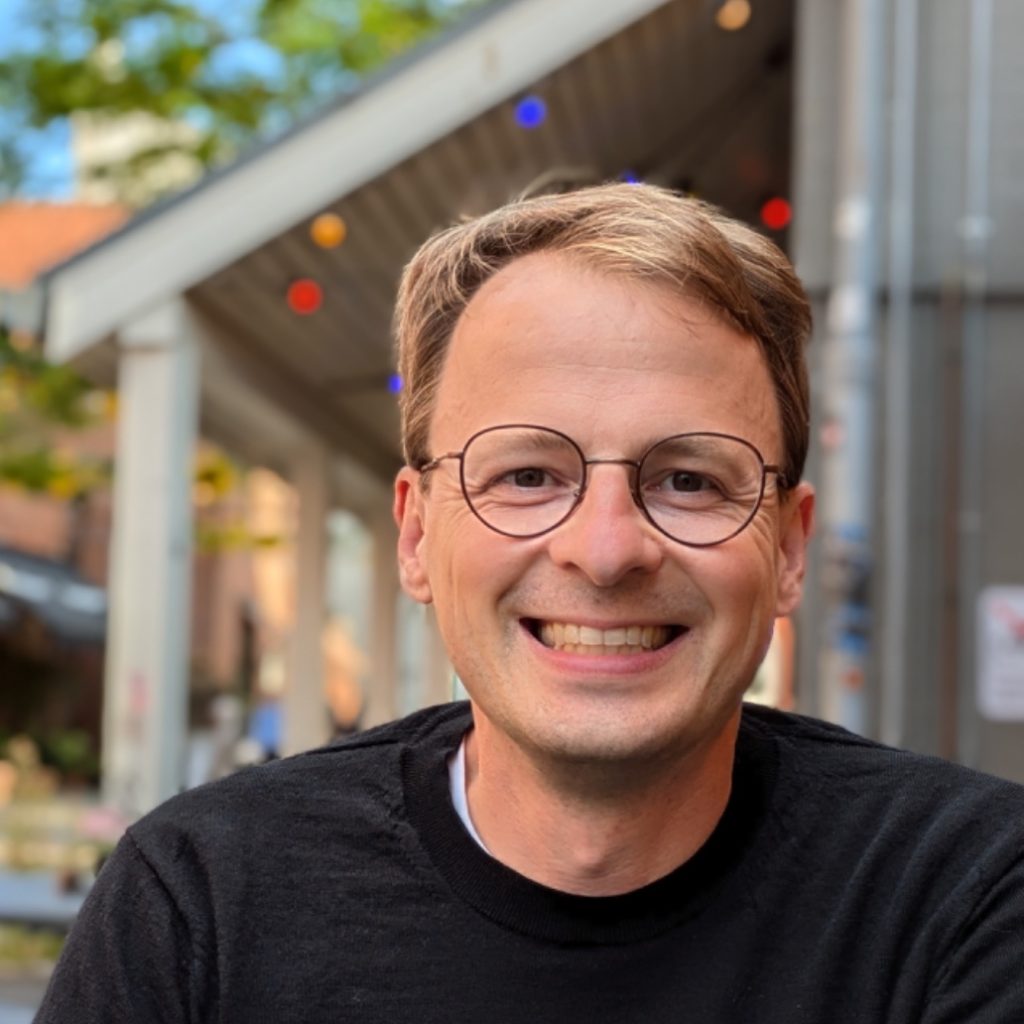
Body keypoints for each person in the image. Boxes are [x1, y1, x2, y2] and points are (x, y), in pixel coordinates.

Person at [37, 185, 1024, 1022]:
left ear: (789, 548)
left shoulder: (970, 897)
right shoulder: (204, 901)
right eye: (527, 475)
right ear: (416, 535)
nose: (605, 551)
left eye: (689, 480)